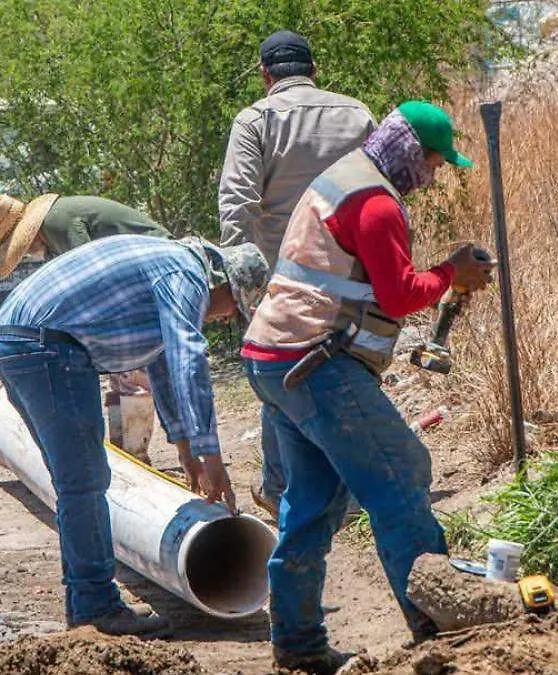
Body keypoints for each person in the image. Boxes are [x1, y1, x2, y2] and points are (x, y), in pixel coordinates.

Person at [241, 101, 497, 674]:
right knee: (401, 473)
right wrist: (452, 273)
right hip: (317, 363)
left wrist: (443, 271)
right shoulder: (377, 201)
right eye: (433, 162)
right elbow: (403, 295)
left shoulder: (346, 178)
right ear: (412, 151)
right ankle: (439, 636)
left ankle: (299, 645)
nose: (432, 176)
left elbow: (378, 282)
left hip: (274, 359)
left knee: (314, 501)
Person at [0, 233, 269, 637]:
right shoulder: (185, 275)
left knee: (77, 483)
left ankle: (87, 604)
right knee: (84, 483)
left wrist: (187, 450)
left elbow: (160, 364)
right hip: (47, 346)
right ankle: (96, 606)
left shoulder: (174, 264)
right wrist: (213, 459)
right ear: (223, 284)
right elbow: (187, 361)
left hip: (20, 338)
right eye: (234, 309)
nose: (228, 318)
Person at [218, 30, 377, 516]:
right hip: (352, 269)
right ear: (314, 69)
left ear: (267, 75)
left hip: (280, 275)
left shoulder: (254, 121)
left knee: (279, 376)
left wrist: (236, 280)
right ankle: (352, 486)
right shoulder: (358, 114)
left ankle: (282, 485)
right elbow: (382, 189)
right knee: (352, 371)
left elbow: (237, 206)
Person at [0, 194, 172, 461]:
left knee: (139, 369)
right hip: (138, 277)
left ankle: (169, 448)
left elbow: (90, 276)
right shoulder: (53, 231)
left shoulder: (58, 224)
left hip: (155, 271)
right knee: (129, 370)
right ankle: (138, 451)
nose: (26, 253)